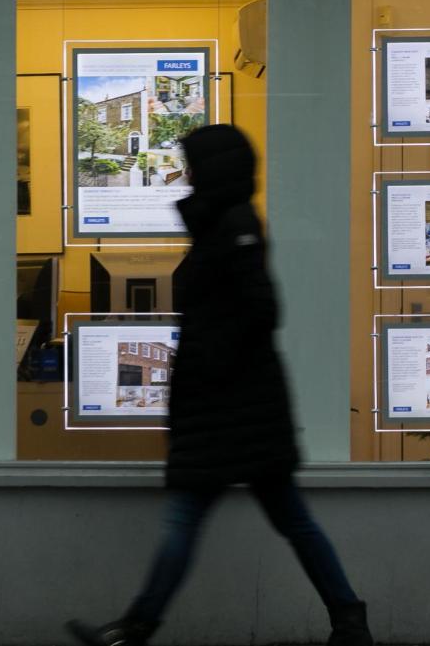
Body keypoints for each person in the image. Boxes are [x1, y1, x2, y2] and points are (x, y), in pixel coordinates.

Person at [66, 124, 373, 646]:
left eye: (192, 164)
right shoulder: (220, 222)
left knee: (196, 519)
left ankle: (136, 629)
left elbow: (261, 309)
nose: (184, 174)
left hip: (232, 410)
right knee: (287, 522)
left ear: (213, 170)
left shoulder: (234, 224)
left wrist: (206, 365)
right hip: (237, 410)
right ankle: (348, 620)